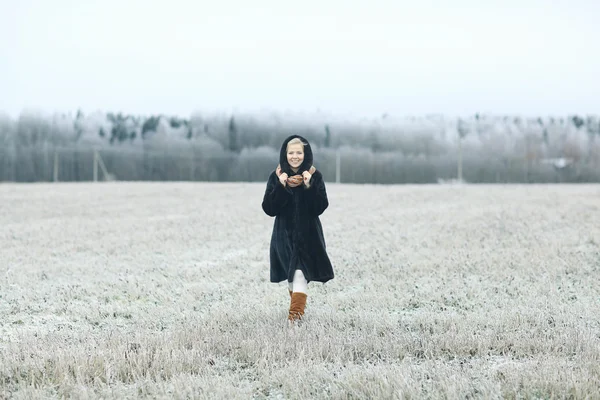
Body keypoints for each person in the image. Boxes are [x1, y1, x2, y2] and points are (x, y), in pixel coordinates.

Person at [261, 135, 334, 324]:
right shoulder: (275, 176)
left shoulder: (315, 176)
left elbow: (320, 207)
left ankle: (294, 321)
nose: (295, 156)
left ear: (305, 154)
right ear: (285, 154)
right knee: (292, 278)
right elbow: (269, 209)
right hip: (283, 237)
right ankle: (297, 313)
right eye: (291, 152)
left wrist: (309, 185)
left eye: (299, 152)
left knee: (301, 274)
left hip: (309, 236)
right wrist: (280, 185)